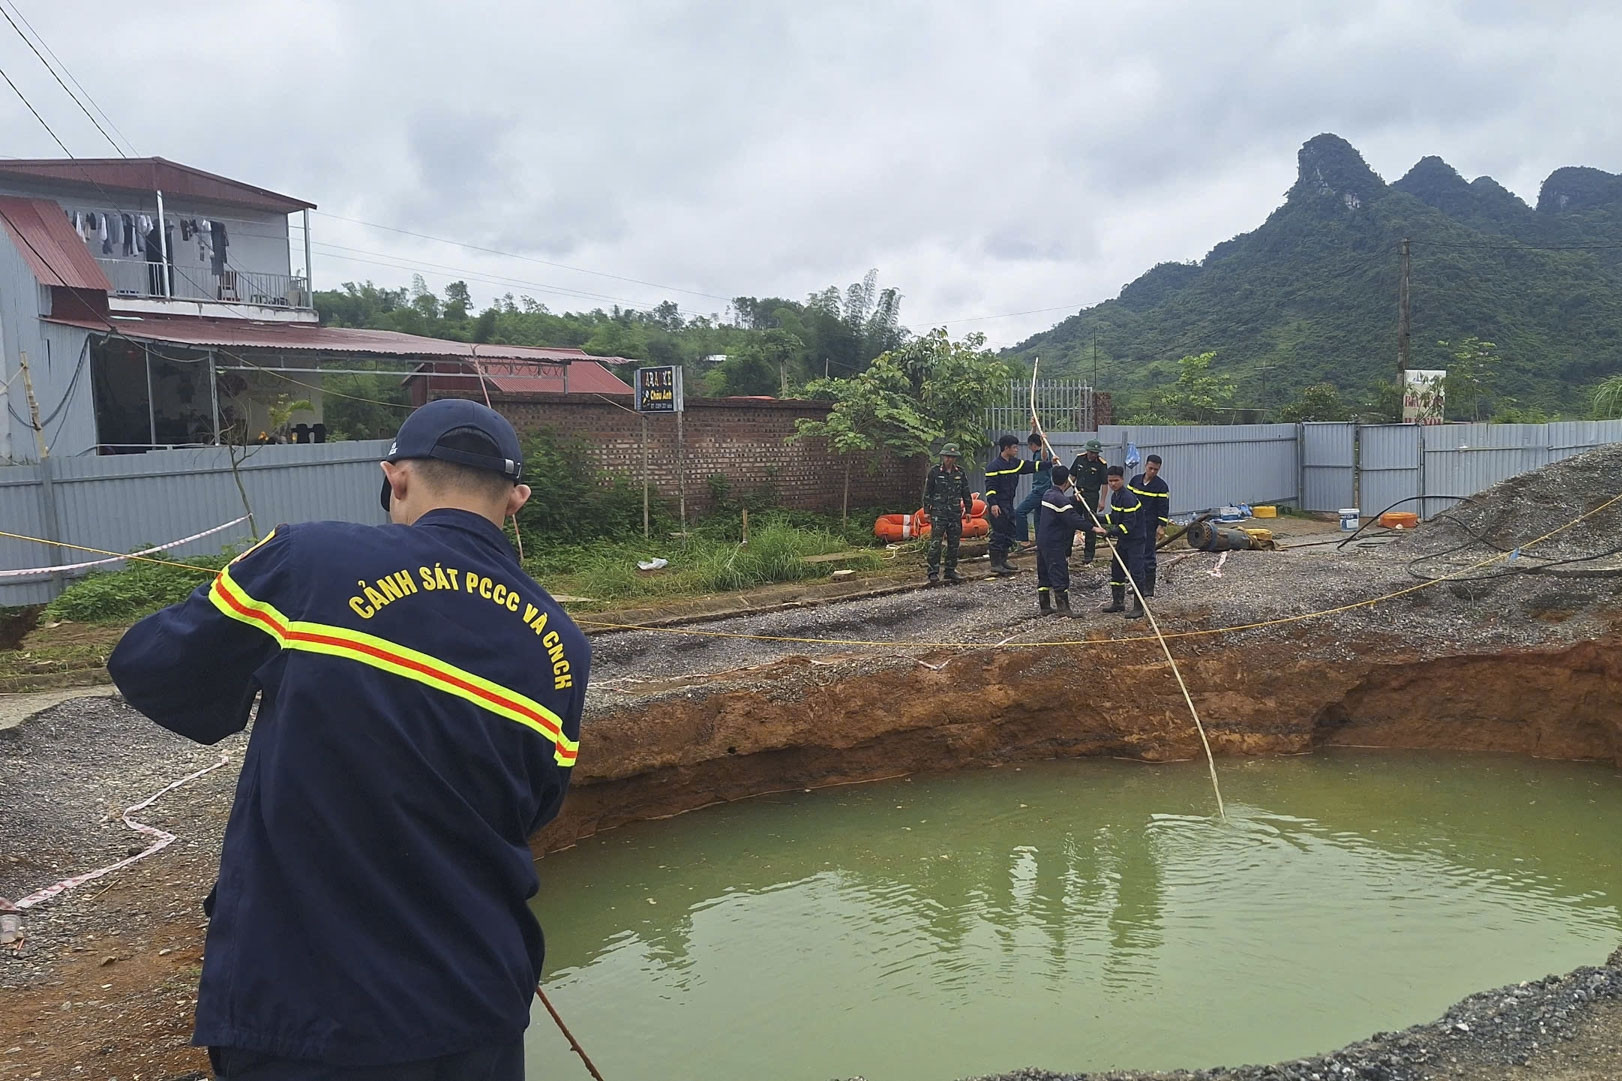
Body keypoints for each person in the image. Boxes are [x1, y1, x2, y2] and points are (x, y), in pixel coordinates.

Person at [106, 399, 589, 1081]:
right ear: (517, 500)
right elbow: (535, 807)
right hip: (475, 1013)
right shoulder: (562, 645)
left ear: (394, 477)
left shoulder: (309, 558)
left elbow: (151, 667)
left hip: (306, 1012)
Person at [1095, 465, 1149, 619]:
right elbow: (1115, 517)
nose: (1112, 484)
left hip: (1135, 540)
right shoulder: (1115, 497)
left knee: (1136, 572)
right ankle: (1118, 602)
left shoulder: (1128, 498)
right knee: (1117, 570)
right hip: (1123, 539)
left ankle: (1139, 607)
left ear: (1122, 480)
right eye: (1110, 481)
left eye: (1116, 481)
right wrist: (1099, 519)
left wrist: (1111, 532)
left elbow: (1128, 525)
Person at [1035, 464, 1088, 617]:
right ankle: (1063, 609)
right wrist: (1093, 528)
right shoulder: (1059, 500)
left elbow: (1062, 501)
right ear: (1067, 482)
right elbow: (1073, 519)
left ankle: (1045, 605)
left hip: (1043, 541)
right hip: (1054, 543)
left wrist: (1073, 499)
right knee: (1059, 572)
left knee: (1044, 574)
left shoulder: (1048, 494)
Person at [984, 434, 1036, 575]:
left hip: (1008, 504)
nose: (1017, 450)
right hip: (998, 506)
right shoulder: (994, 466)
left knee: (1009, 532)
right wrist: (993, 504)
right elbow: (990, 488)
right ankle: (996, 563)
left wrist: (1050, 464)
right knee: (998, 534)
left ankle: (1004, 559)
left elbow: (1029, 466)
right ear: (1006, 448)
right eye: (1014, 447)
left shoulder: (1014, 463)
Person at [923, 443, 974, 585]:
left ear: (955, 458)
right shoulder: (934, 472)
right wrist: (926, 511)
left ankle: (950, 570)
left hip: (955, 512)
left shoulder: (960, 473)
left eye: (952, 457)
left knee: (954, 543)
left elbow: (966, 491)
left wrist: (969, 510)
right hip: (938, 513)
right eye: (947, 456)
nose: (949, 459)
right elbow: (928, 492)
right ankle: (933, 571)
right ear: (942, 457)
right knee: (936, 543)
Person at [1129, 454, 1171, 597]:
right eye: (1151, 468)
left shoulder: (1161, 486)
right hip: (1134, 524)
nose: (1152, 472)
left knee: (1148, 555)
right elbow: (1128, 500)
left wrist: (1161, 526)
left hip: (1149, 525)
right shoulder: (1135, 481)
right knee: (1134, 555)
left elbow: (1163, 507)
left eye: (1156, 470)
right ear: (1145, 465)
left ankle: (1148, 586)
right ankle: (1135, 583)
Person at [1013, 432, 1060, 548]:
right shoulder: (1036, 453)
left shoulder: (1042, 453)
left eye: (1030, 446)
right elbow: (1033, 438)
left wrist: (1044, 443)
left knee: (1020, 511)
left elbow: (1044, 458)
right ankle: (1041, 543)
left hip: (1040, 490)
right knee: (1038, 519)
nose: (1029, 448)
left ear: (1033, 445)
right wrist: (1034, 426)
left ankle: (1023, 540)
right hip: (1042, 490)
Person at [1069, 440, 1110, 564]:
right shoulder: (1080, 459)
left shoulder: (1101, 464)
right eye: (1092, 452)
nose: (1093, 455)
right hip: (1077, 494)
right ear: (1087, 451)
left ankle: (1089, 554)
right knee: (1071, 521)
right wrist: (1061, 490)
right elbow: (1072, 476)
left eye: (1096, 453)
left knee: (1090, 524)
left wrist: (1102, 501)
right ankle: (1067, 551)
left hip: (1091, 496)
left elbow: (1104, 484)